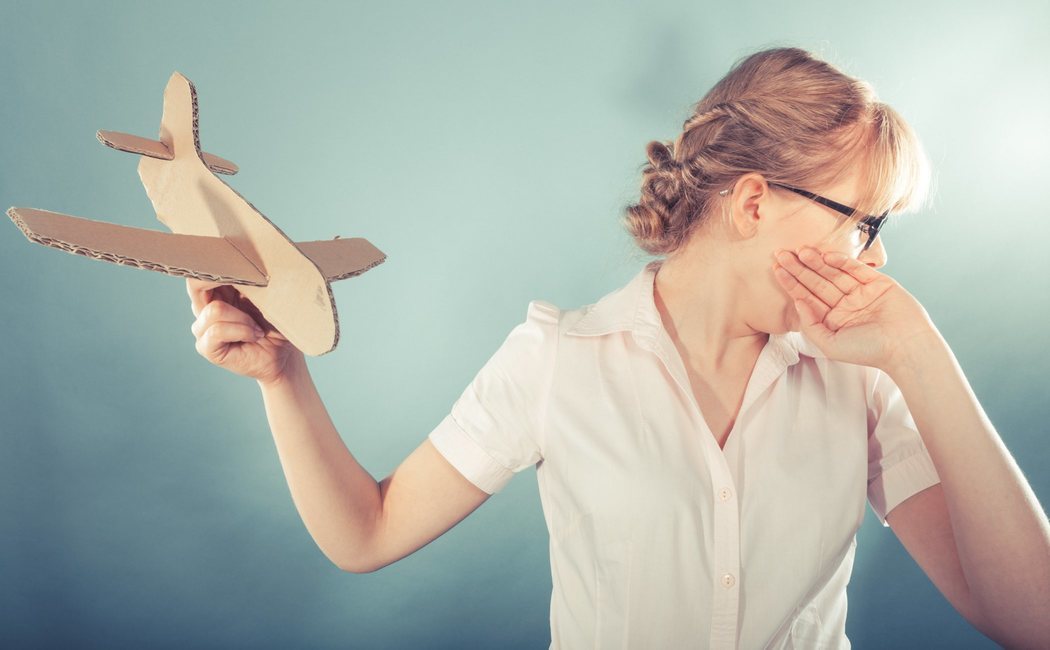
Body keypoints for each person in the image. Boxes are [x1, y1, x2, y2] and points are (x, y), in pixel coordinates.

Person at [186, 47, 1050, 649]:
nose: (878, 255)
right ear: (754, 203)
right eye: (863, 223)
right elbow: (365, 535)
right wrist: (280, 375)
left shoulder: (862, 382)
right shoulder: (558, 361)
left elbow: (1033, 621)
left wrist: (922, 356)